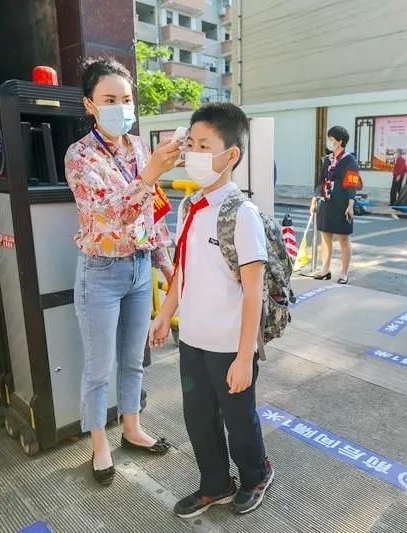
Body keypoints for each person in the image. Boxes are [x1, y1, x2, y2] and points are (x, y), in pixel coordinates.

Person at [149, 103, 273, 517]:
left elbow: (253, 291)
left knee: (239, 422)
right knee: (198, 418)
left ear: (231, 154)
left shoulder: (242, 214)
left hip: (229, 345)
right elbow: (183, 268)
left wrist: (244, 357)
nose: (193, 154)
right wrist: (166, 314)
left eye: (205, 145)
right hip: (193, 341)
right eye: (191, 144)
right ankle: (215, 484)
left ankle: (256, 474)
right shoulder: (189, 208)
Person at [65, 57, 177, 486]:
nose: (120, 107)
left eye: (126, 99)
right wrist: (150, 174)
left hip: (138, 265)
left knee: (133, 359)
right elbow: (108, 214)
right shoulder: (79, 155)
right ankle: (99, 444)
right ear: (90, 105)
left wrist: (164, 261)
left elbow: (152, 209)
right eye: (109, 99)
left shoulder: (139, 147)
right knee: (98, 367)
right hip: (101, 271)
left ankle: (131, 428)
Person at [310, 126, 362, 284]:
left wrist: (351, 205)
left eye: (332, 138)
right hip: (326, 202)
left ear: (340, 141)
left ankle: (344, 273)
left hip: (342, 203)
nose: (330, 141)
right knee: (325, 237)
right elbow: (320, 181)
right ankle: (325, 270)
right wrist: (314, 200)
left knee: (343, 239)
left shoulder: (349, 160)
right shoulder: (327, 159)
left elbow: (352, 184)